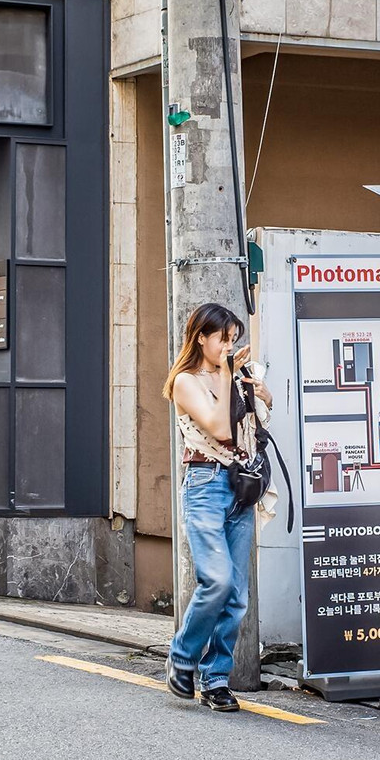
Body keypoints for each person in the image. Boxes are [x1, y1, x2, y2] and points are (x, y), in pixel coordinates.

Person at [163, 303, 272, 713]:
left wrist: (262, 394)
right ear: (201, 338)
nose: (230, 345)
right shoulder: (185, 382)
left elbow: (254, 428)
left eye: (234, 338)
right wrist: (228, 375)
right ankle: (183, 657)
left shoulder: (237, 376)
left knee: (238, 596)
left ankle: (215, 679)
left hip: (240, 488)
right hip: (206, 485)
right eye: (223, 338)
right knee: (218, 581)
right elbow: (220, 428)